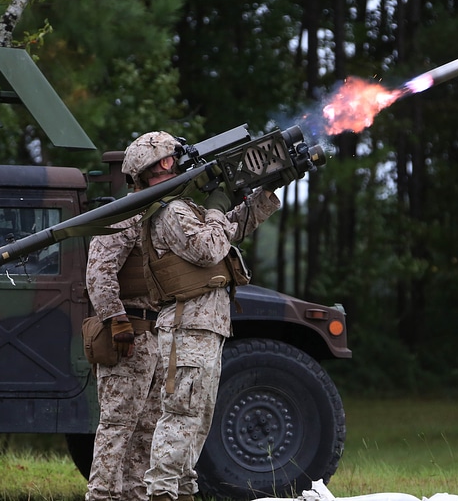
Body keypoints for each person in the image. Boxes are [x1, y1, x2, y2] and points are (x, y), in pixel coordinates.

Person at [120, 130, 298, 501]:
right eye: (171, 157)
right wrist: (217, 206)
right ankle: (162, 493)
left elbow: (228, 230)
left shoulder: (182, 208)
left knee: (197, 421)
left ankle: (181, 491)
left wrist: (264, 195)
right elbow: (209, 248)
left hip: (202, 328)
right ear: (162, 164)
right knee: (180, 416)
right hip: (188, 328)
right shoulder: (171, 211)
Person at [84, 136, 166, 501]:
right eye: (157, 167)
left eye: (170, 165)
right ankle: (101, 495)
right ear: (139, 175)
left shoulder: (166, 215)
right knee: (117, 427)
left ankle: (136, 495)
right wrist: (117, 320)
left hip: (158, 335)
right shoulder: (125, 216)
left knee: (148, 429)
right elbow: (99, 272)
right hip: (128, 335)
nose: (167, 171)